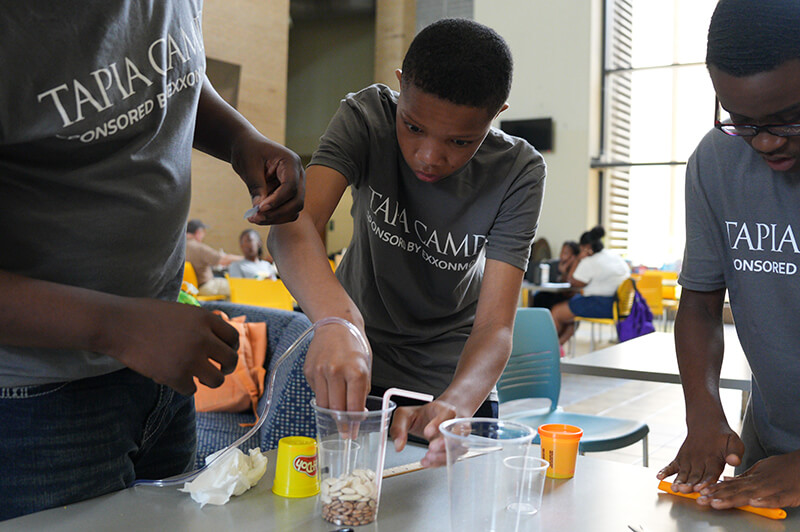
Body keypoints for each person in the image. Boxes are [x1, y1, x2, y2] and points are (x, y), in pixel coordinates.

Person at [0, 2, 304, 521]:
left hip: (162, 374)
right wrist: (118, 326)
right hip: (36, 405)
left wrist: (238, 139)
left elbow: (161, 73)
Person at [268, 18, 545, 467]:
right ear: (400, 86)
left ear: (497, 116)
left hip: (454, 378)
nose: (429, 156)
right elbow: (292, 229)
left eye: (460, 141)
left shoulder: (518, 171)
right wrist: (337, 322)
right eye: (413, 127)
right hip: (350, 360)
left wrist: (456, 402)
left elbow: (495, 327)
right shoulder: (367, 116)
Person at [655, 0, 800, 511]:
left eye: (788, 120)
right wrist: (704, 412)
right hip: (770, 442)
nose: (762, 141)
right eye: (741, 119)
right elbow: (698, 302)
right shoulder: (716, 161)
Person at [550, 226, 629, 345]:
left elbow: (573, 281)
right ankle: (559, 345)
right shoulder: (614, 257)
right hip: (619, 306)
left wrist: (577, 259)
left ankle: (549, 348)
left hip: (601, 304)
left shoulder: (590, 261)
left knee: (556, 312)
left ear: (586, 248)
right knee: (569, 311)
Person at [185, 219, 244, 295]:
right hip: (204, 287)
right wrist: (245, 258)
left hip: (188, 289)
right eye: (203, 232)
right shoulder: (199, 248)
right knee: (236, 286)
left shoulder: (179, 246)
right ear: (198, 232)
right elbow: (223, 260)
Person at [531, 240, 580, 309]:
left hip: (569, 298)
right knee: (539, 296)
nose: (561, 256)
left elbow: (569, 291)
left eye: (565, 253)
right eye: (561, 253)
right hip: (556, 294)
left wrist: (564, 272)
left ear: (573, 257)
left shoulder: (578, 268)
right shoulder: (556, 264)